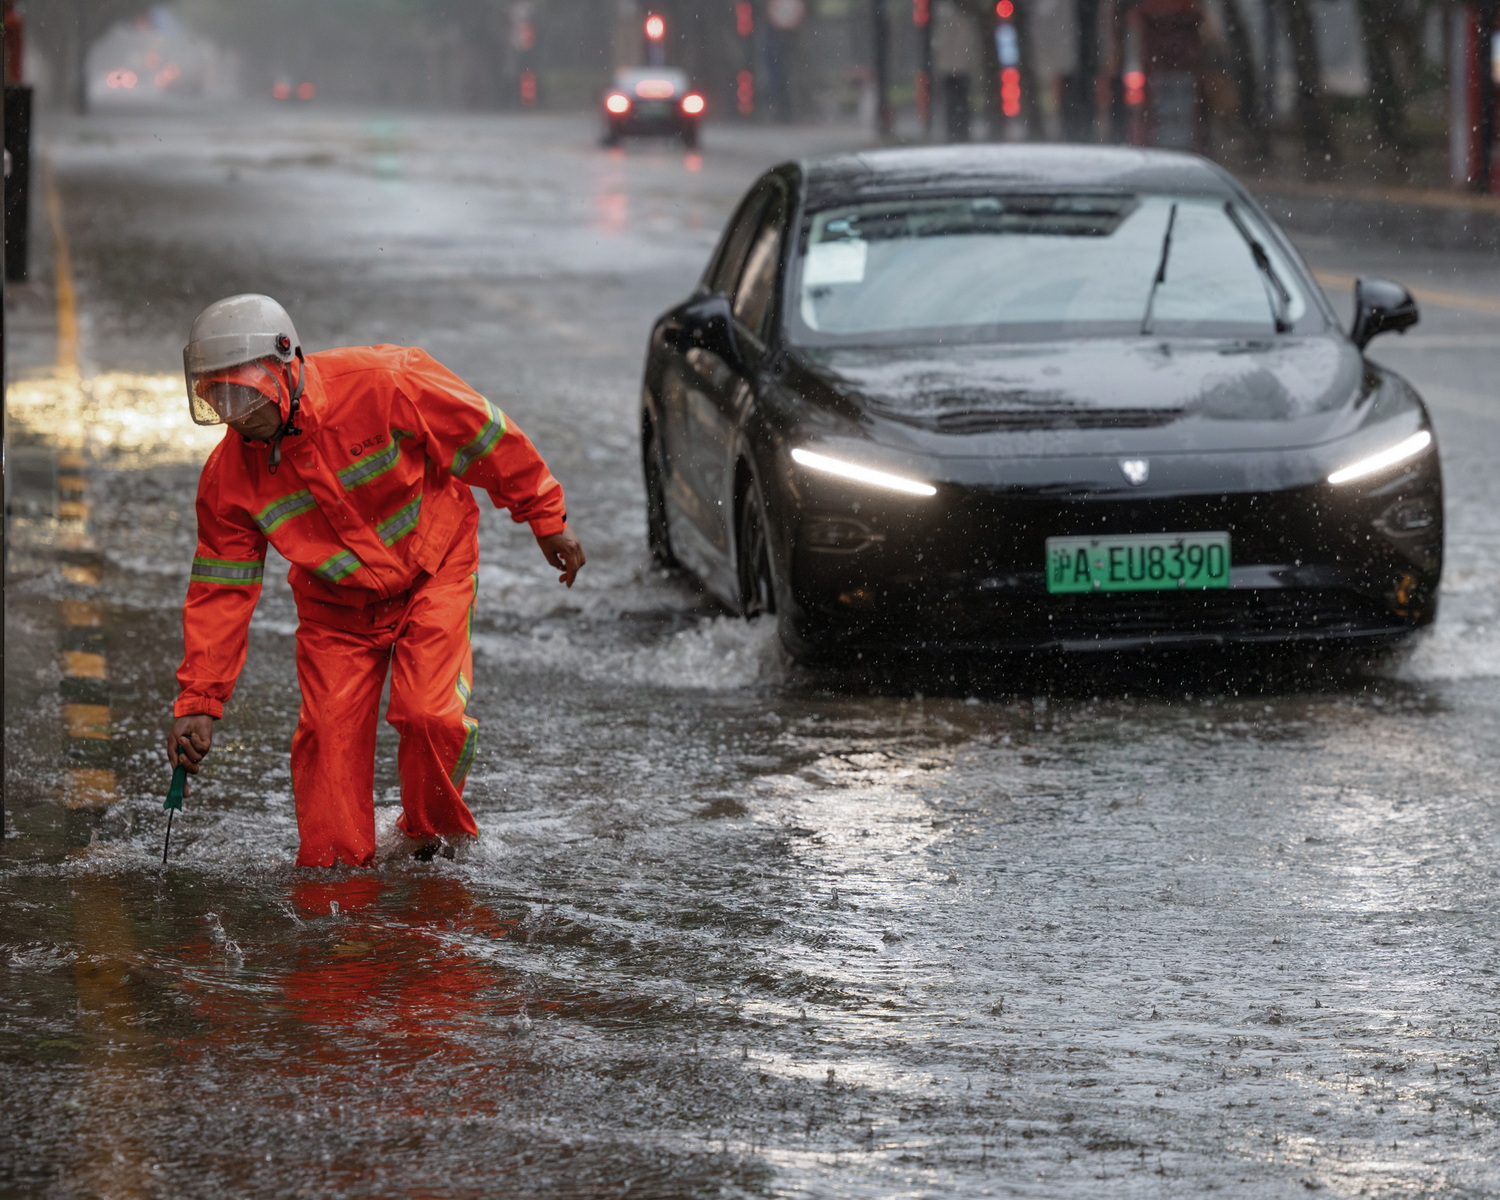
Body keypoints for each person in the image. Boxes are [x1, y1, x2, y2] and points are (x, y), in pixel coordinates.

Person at [166, 294, 585, 867]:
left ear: (287, 366)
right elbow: (222, 590)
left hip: (433, 569)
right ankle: (335, 885)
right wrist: (200, 699)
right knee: (328, 744)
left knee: (429, 716)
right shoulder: (227, 479)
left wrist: (545, 517)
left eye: (245, 394)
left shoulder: (387, 382)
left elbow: (484, 436)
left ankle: (432, 842)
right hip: (334, 609)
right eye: (220, 400)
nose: (237, 415)